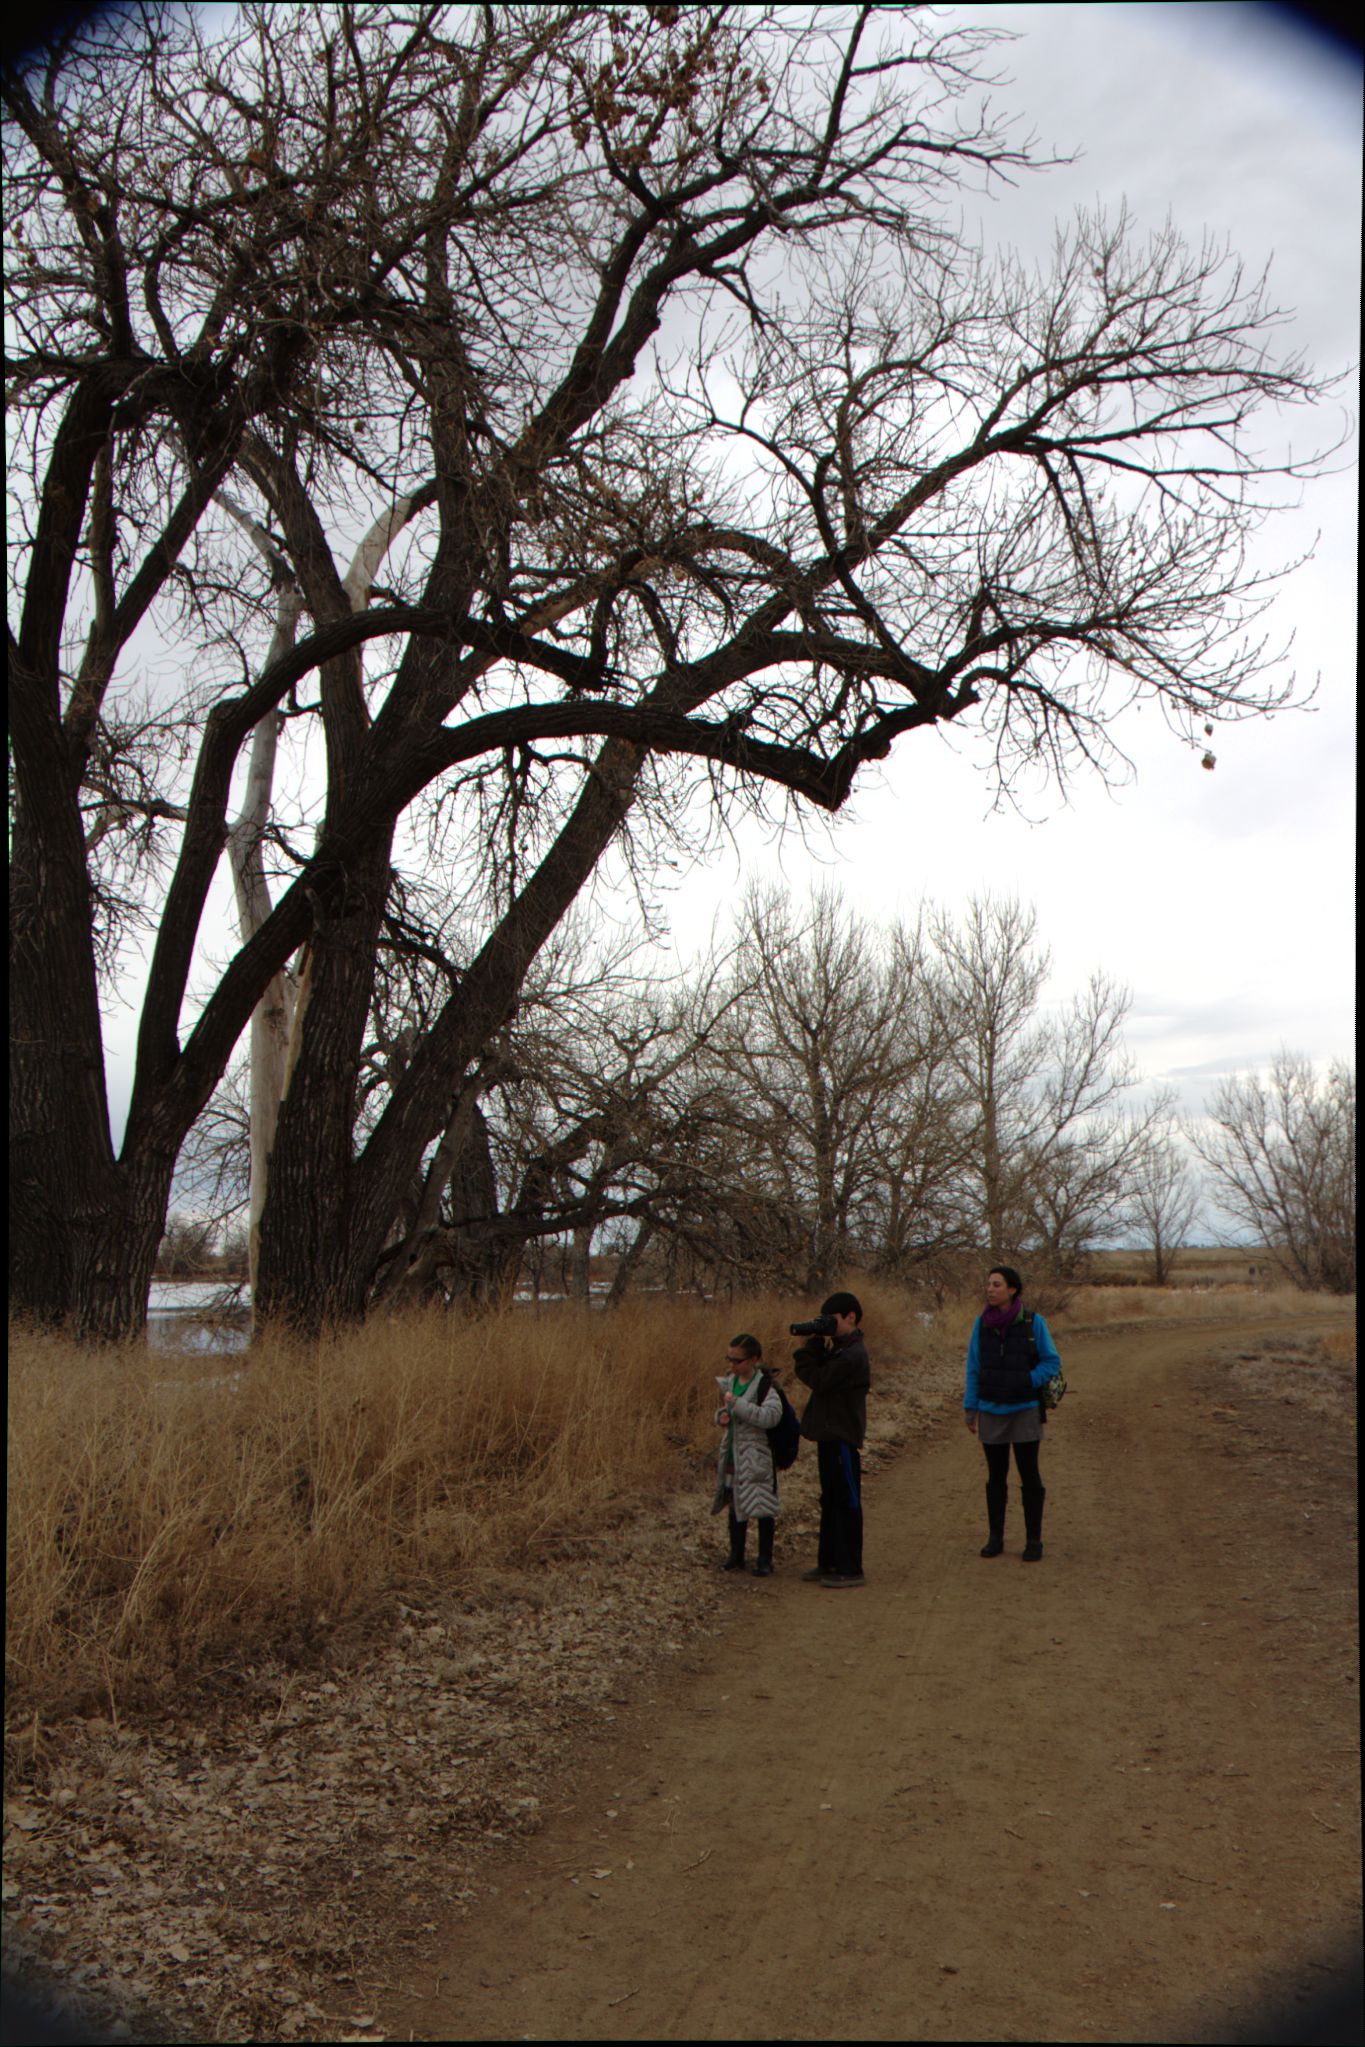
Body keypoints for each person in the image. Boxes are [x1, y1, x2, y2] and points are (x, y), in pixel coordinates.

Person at [963, 1265, 1062, 1562]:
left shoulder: (1034, 1322)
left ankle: (1034, 1540)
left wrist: (1027, 1380)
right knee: (996, 1478)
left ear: (1012, 1289)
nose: (990, 1289)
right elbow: (973, 1368)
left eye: (996, 1284)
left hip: (1025, 1410)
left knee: (1029, 1475)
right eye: (989, 1284)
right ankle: (995, 1538)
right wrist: (971, 1407)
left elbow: (1051, 1361)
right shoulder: (981, 1325)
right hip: (992, 1409)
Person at [791, 1290, 870, 1588]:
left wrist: (805, 1351)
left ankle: (850, 1567)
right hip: (830, 1433)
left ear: (850, 1317)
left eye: (831, 1320)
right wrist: (816, 1343)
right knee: (830, 1500)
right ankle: (829, 1562)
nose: (827, 1325)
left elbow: (820, 1380)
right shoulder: (841, 1348)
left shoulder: (853, 1354)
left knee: (846, 1501)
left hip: (842, 1437)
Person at [711, 1333, 782, 1577]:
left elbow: (772, 1417)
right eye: (729, 1359)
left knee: (762, 1506)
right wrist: (723, 1415)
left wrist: (737, 1405)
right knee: (735, 1503)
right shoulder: (731, 1381)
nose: (731, 1365)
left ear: (754, 1359)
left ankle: (765, 1559)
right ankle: (736, 1555)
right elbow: (731, 1412)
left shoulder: (765, 1386)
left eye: (737, 1360)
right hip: (733, 1452)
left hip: (757, 1455)